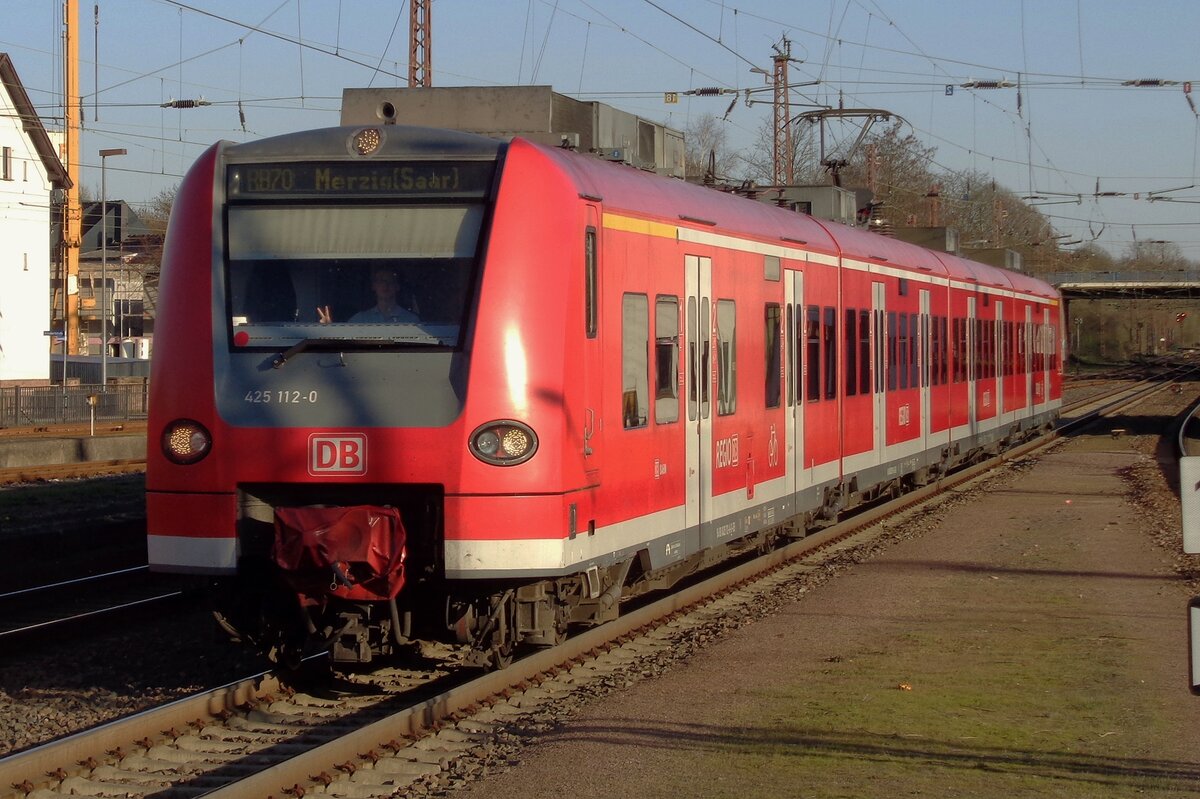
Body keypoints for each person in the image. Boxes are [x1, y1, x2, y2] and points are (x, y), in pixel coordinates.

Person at [317, 265, 418, 324]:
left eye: (390, 281)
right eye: (380, 281)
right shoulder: (360, 319)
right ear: (373, 286)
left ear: (397, 286)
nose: (385, 285)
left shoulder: (411, 320)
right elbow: (344, 343)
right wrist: (329, 329)